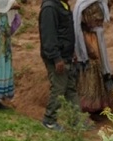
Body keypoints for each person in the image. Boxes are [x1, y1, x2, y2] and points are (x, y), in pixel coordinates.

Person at [39, 0, 78, 130]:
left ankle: (77, 119)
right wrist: (56, 58)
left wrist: (72, 52)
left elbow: (66, 32)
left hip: (66, 55)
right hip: (57, 57)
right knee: (59, 89)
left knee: (71, 87)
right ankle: (49, 120)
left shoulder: (63, 5)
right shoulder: (50, 8)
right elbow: (48, 36)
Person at [73, 0, 113, 114]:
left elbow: (103, 19)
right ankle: (87, 108)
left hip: (97, 39)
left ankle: (98, 107)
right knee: (90, 72)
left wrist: (109, 5)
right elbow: (79, 25)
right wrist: (87, 47)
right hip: (87, 40)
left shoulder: (100, 2)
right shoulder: (82, 4)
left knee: (100, 70)